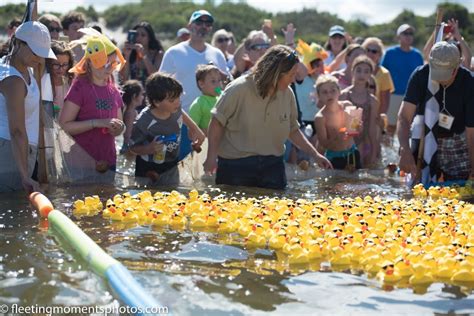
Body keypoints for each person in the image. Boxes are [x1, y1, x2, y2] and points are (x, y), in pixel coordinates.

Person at [203, 45, 332, 190]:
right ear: (276, 73)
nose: (293, 80)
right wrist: (211, 157)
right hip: (236, 166)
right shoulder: (239, 88)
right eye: (291, 74)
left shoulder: (287, 94)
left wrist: (315, 155)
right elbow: (217, 123)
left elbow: (293, 130)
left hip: (273, 167)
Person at [398, 41, 474, 184]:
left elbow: (472, 133)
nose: (440, 79)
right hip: (423, 136)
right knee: (417, 188)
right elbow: (404, 117)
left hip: (457, 140)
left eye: (445, 74)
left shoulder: (469, 83)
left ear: (457, 66)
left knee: (460, 190)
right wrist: (404, 149)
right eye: (437, 71)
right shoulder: (420, 75)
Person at [159, 10, 228, 159]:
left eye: (207, 24)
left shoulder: (217, 54)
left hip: (211, 125)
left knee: (207, 174)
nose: (203, 26)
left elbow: (225, 86)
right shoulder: (174, 52)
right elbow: (160, 87)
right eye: (199, 23)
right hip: (180, 122)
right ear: (190, 26)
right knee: (179, 170)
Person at [0, 21, 56, 193]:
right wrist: (24, 174)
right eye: (35, 52)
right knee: (11, 205)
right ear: (18, 43)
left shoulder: (19, 65)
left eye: (42, 53)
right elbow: (16, 130)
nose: (39, 59)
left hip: (18, 149)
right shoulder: (13, 80)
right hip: (11, 152)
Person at [59, 33, 126, 173]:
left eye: (113, 64)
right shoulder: (79, 88)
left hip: (108, 163)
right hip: (80, 163)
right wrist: (97, 123)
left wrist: (118, 128)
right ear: (89, 62)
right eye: (104, 64)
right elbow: (64, 126)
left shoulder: (114, 91)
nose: (109, 69)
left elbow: (119, 127)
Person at [128, 73, 205, 185]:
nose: (178, 102)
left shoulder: (175, 107)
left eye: (179, 97)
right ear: (157, 102)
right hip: (148, 167)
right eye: (172, 100)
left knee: (172, 195)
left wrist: (195, 129)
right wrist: (149, 149)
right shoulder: (144, 121)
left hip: (171, 163)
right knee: (146, 197)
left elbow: (181, 113)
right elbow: (132, 148)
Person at [381, 24, 423, 134]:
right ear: (398, 36)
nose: (408, 36)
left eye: (410, 33)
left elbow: (421, 77)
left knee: (408, 128)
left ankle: (404, 150)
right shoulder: (390, 53)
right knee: (390, 127)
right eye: (405, 33)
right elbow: (383, 73)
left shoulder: (417, 55)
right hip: (393, 95)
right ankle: (390, 151)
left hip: (411, 97)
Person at [314, 75, 361, 170]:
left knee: (357, 184)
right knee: (336, 184)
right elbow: (323, 144)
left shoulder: (347, 106)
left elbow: (356, 131)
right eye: (324, 92)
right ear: (319, 96)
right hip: (335, 158)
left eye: (332, 91)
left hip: (352, 153)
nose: (329, 94)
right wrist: (337, 138)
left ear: (339, 91)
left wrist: (359, 127)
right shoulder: (320, 117)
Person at [340, 56, 379, 167]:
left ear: (370, 75)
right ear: (352, 71)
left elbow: (372, 127)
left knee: (362, 174)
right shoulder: (344, 95)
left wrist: (374, 151)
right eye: (359, 70)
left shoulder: (372, 100)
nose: (362, 74)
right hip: (346, 140)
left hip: (364, 141)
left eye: (366, 71)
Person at [120, 22, 164, 87]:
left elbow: (156, 77)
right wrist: (127, 56)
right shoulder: (130, 53)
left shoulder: (157, 54)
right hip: (134, 94)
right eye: (136, 35)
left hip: (152, 94)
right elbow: (124, 80)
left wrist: (144, 56)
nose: (139, 38)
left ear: (149, 38)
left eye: (143, 35)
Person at [361, 37, 394, 116]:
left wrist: (376, 120)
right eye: (367, 50)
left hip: (374, 116)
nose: (370, 53)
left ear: (380, 54)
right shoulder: (356, 70)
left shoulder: (384, 73)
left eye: (374, 51)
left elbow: (385, 103)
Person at [189, 64, 223, 135]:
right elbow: (191, 130)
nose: (218, 85)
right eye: (213, 81)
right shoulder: (198, 104)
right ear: (201, 84)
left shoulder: (223, 99)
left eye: (219, 80)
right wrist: (209, 131)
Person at [45, 40, 74, 116]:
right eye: (56, 65)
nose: (61, 69)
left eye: (64, 65)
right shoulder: (43, 82)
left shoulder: (70, 82)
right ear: (48, 63)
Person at [120, 80, 144, 153]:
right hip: (128, 147)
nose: (143, 97)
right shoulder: (130, 113)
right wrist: (129, 148)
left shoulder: (130, 111)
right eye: (141, 94)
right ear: (134, 96)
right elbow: (127, 134)